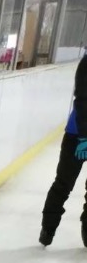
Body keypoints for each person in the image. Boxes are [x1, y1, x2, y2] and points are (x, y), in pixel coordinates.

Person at [40, 53, 87, 247]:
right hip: (78, 135)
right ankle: (47, 230)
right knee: (63, 184)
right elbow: (82, 100)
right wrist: (84, 136)